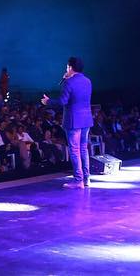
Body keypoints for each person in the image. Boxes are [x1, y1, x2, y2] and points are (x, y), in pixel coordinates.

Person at [42, 56, 93, 189]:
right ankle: (86, 178)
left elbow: (62, 102)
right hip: (86, 119)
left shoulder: (69, 83)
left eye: (67, 67)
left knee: (74, 150)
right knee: (83, 149)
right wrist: (66, 79)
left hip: (73, 120)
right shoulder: (88, 81)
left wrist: (48, 102)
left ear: (70, 68)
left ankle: (78, 180)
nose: (66, 69)